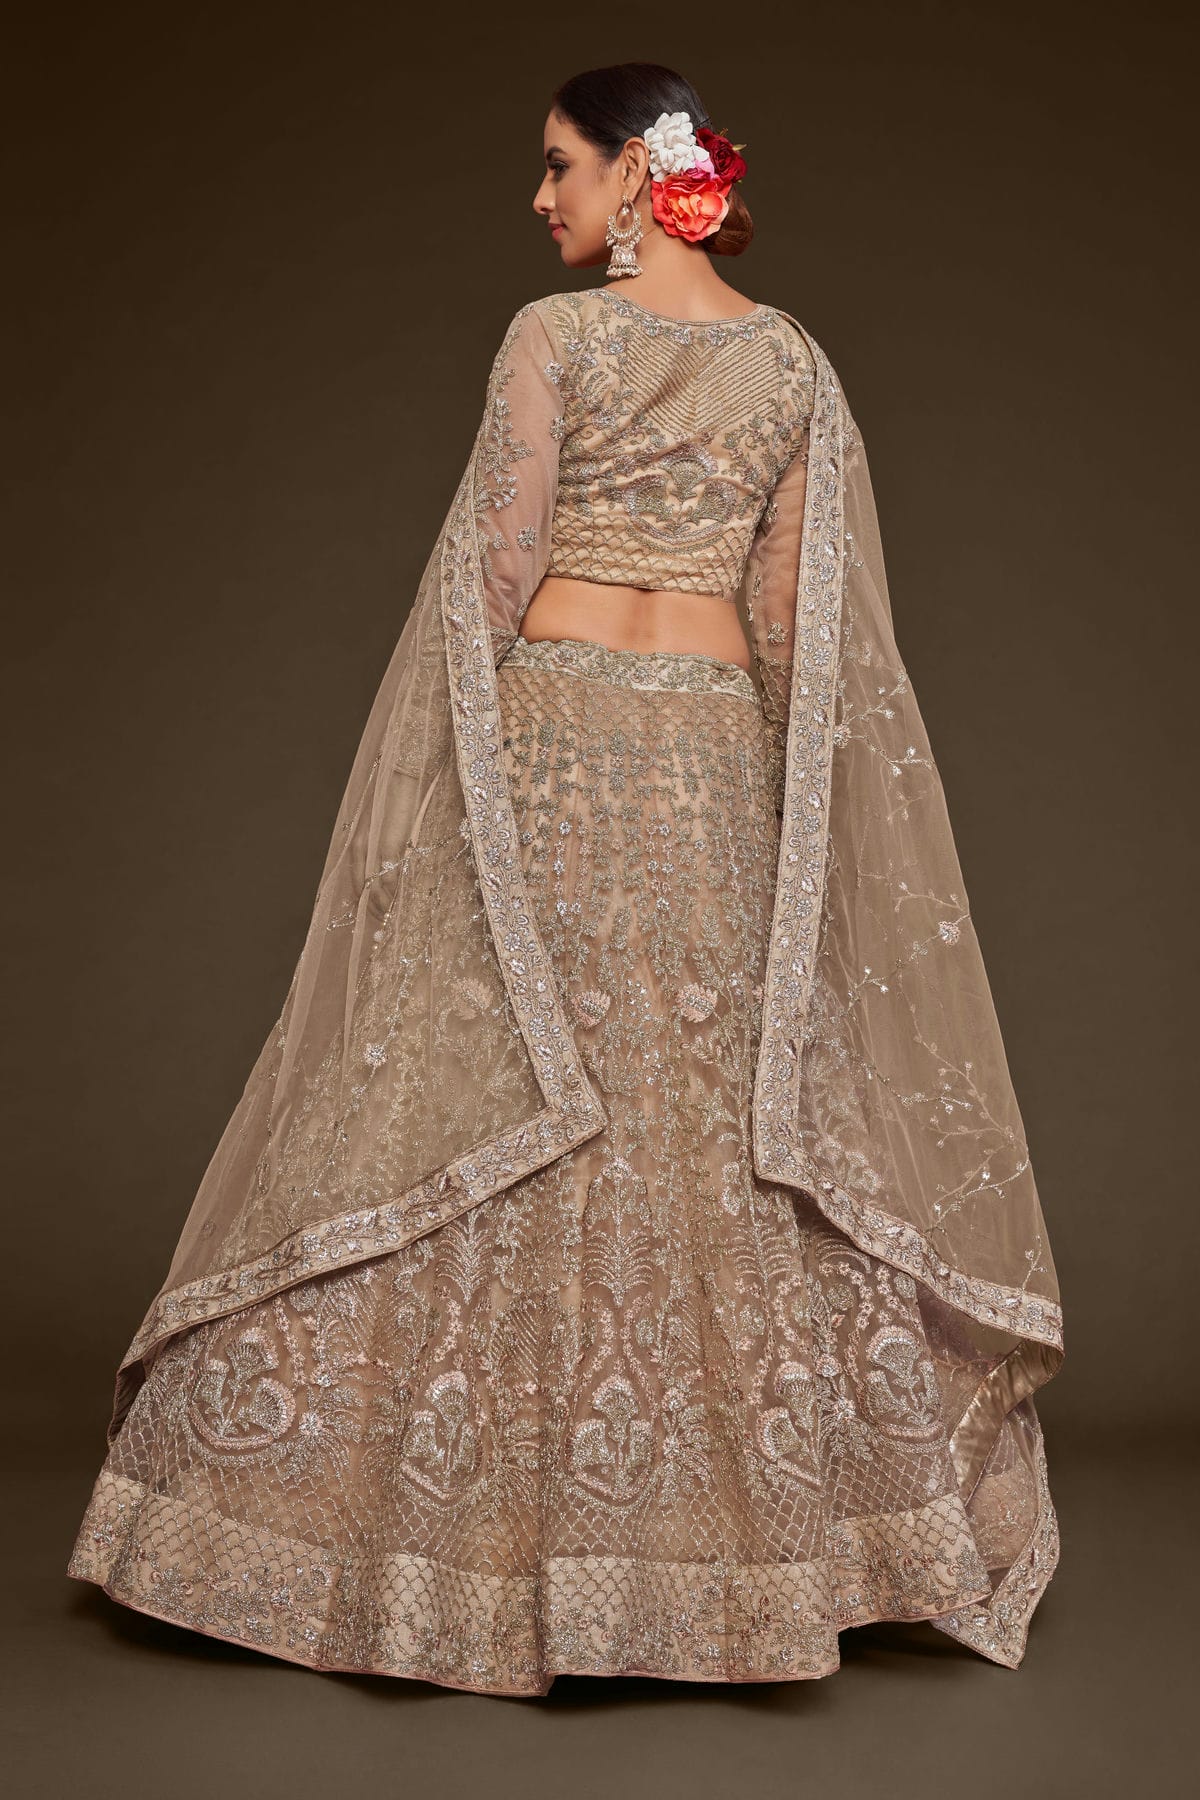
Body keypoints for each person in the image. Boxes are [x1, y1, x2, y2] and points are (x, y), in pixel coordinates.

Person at [67, 62, 1064, 1697]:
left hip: (555, 750)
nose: (540, 200)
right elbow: (799, 628)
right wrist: (778, 827)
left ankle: (445, 1544)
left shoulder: (553, 339)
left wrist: (436, 776)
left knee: (502, 1075)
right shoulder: (795, 365)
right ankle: (744, 1551)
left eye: (558, 167)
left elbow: (502, 563)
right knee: (699, 1105)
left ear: (637, 174)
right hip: (716, 768)